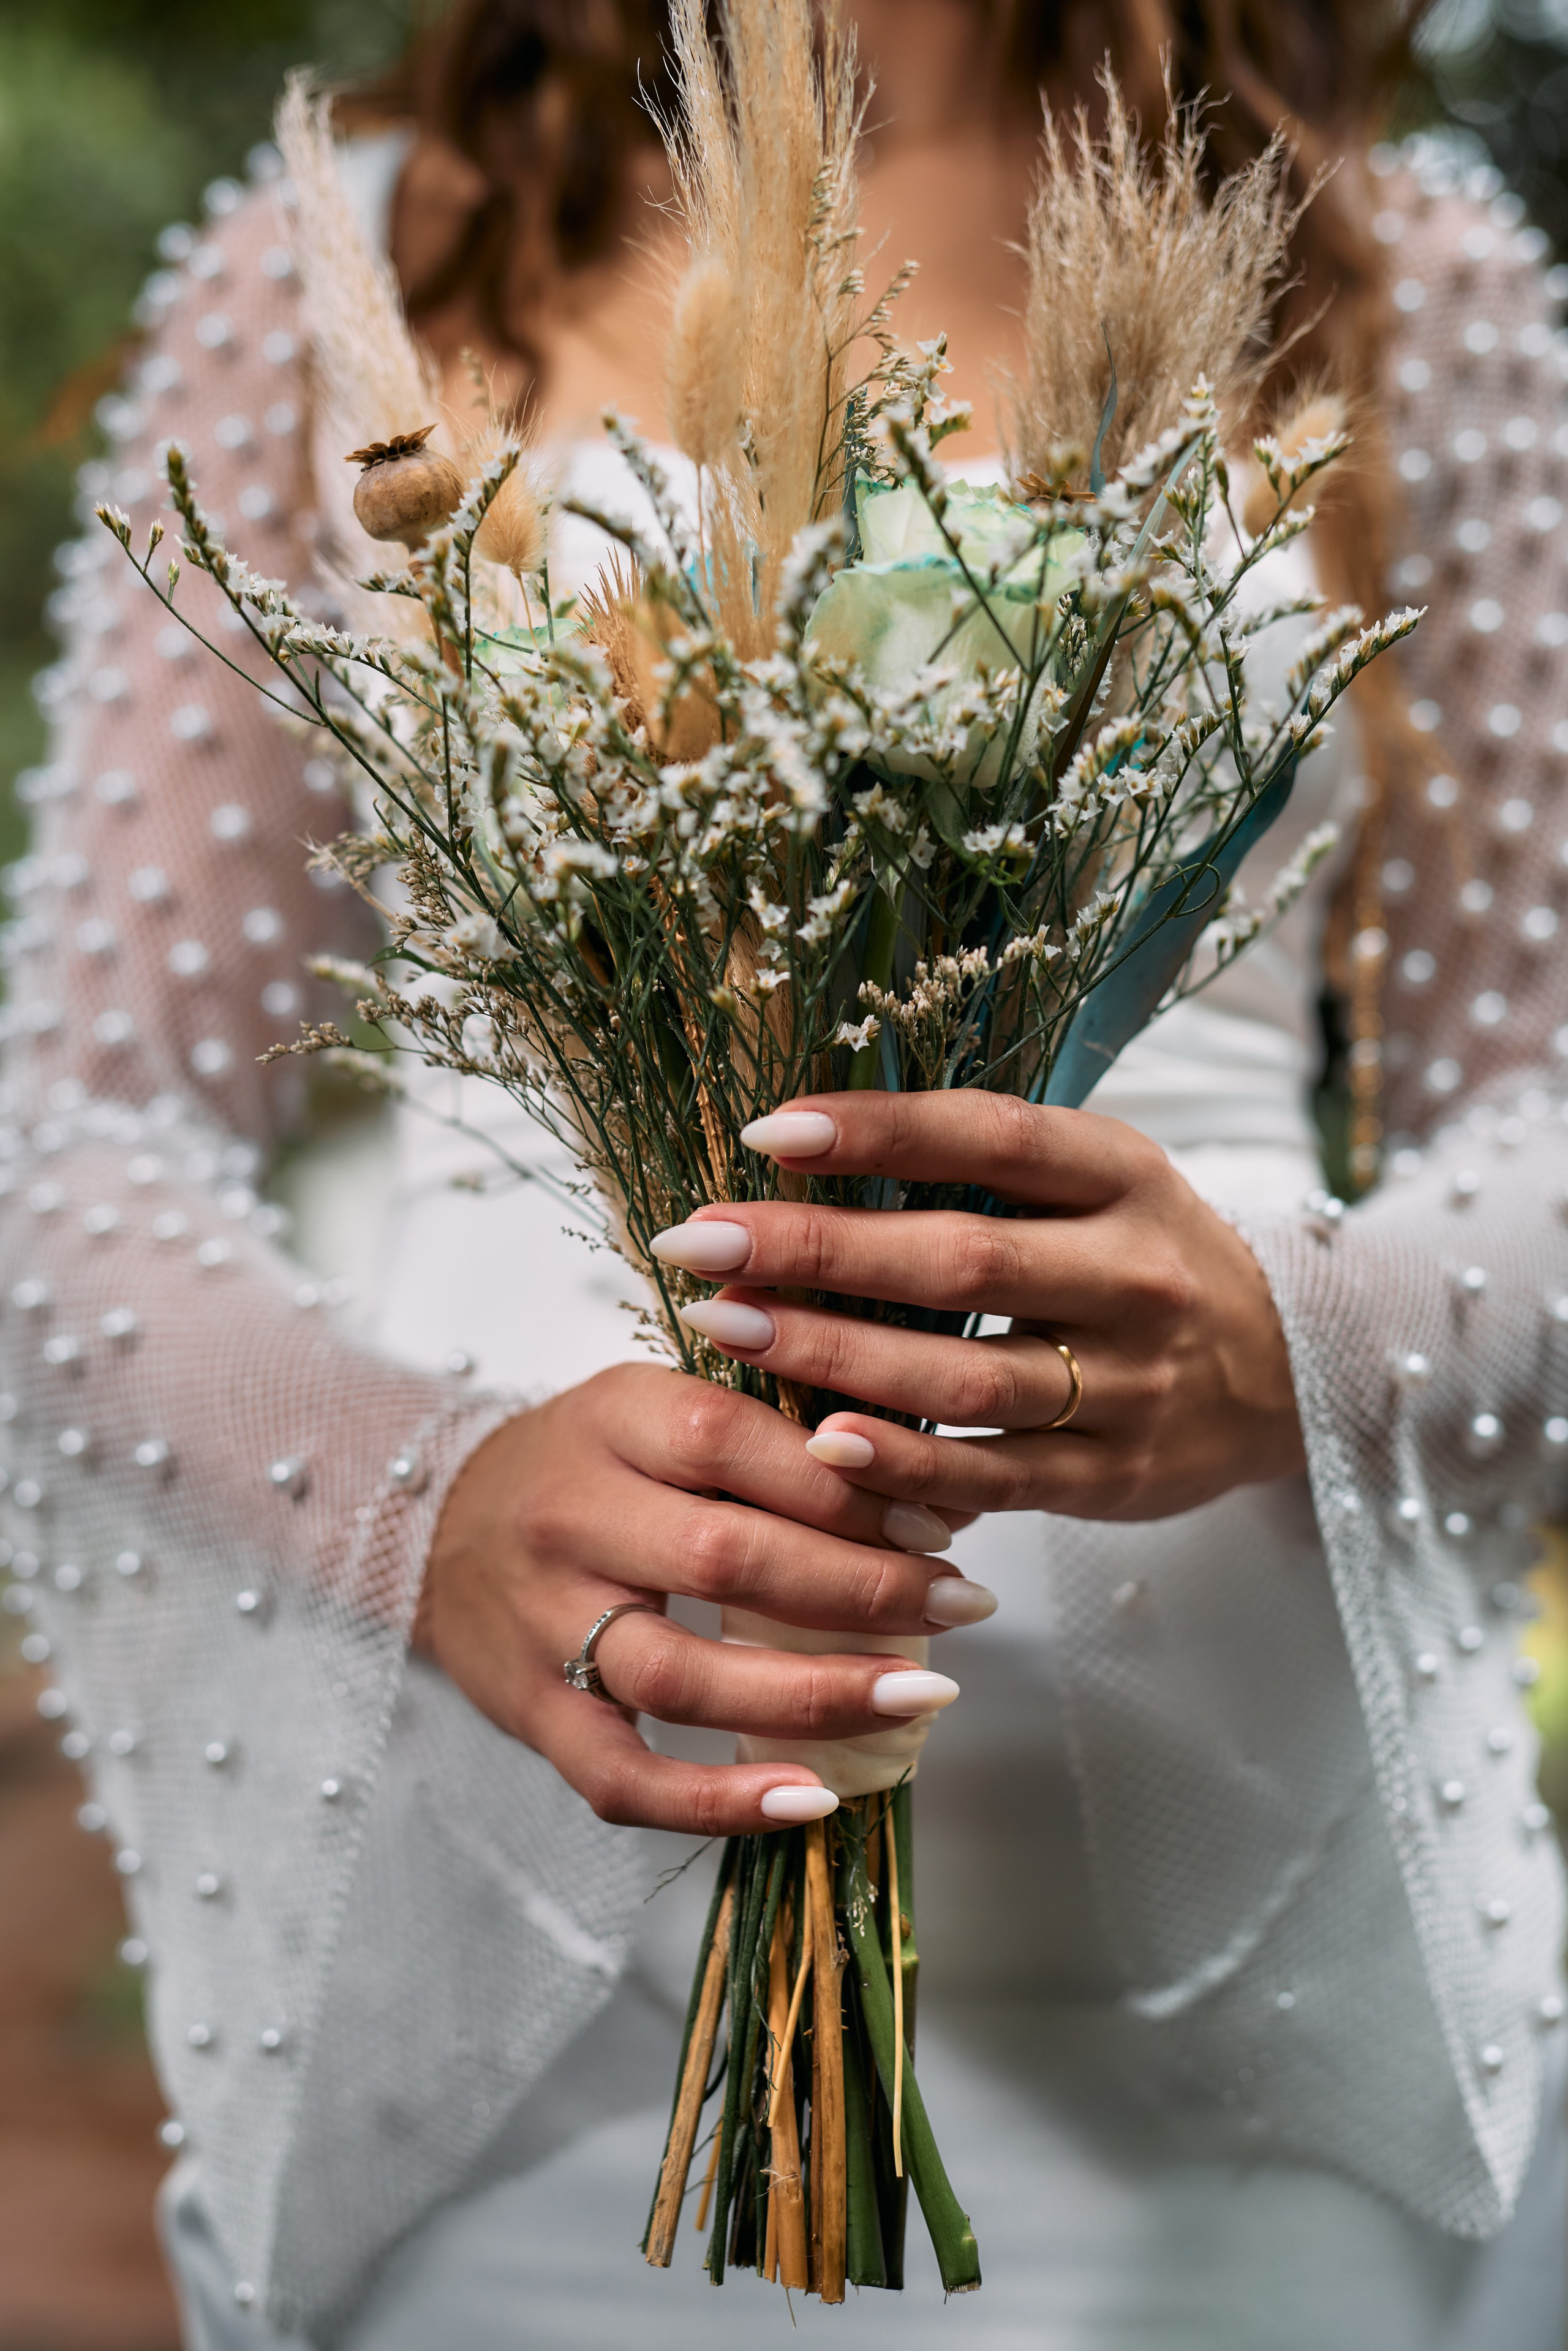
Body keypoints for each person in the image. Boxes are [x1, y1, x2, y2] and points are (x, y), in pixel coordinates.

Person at [4, 1, 1567, 2343]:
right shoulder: (347, 264)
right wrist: (407, 1509)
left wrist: (1290, 1338)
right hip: (525, 1950)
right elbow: (79, 1133)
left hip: (1250, 1985)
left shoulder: (1400, 278)